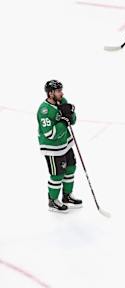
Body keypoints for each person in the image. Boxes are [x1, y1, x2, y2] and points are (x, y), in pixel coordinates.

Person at [37, 80, 82, 212]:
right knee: (57, 175)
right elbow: (50, 133)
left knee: (71, 168)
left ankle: (67, 196)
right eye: (58, 91)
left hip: (66, 144)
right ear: (50, 93)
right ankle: (53, 200)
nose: (61, 93)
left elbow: (72, 121)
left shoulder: (62, 101)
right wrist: (63, 121)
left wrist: (71, 113)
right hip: (53, 148)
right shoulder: (44, 111)